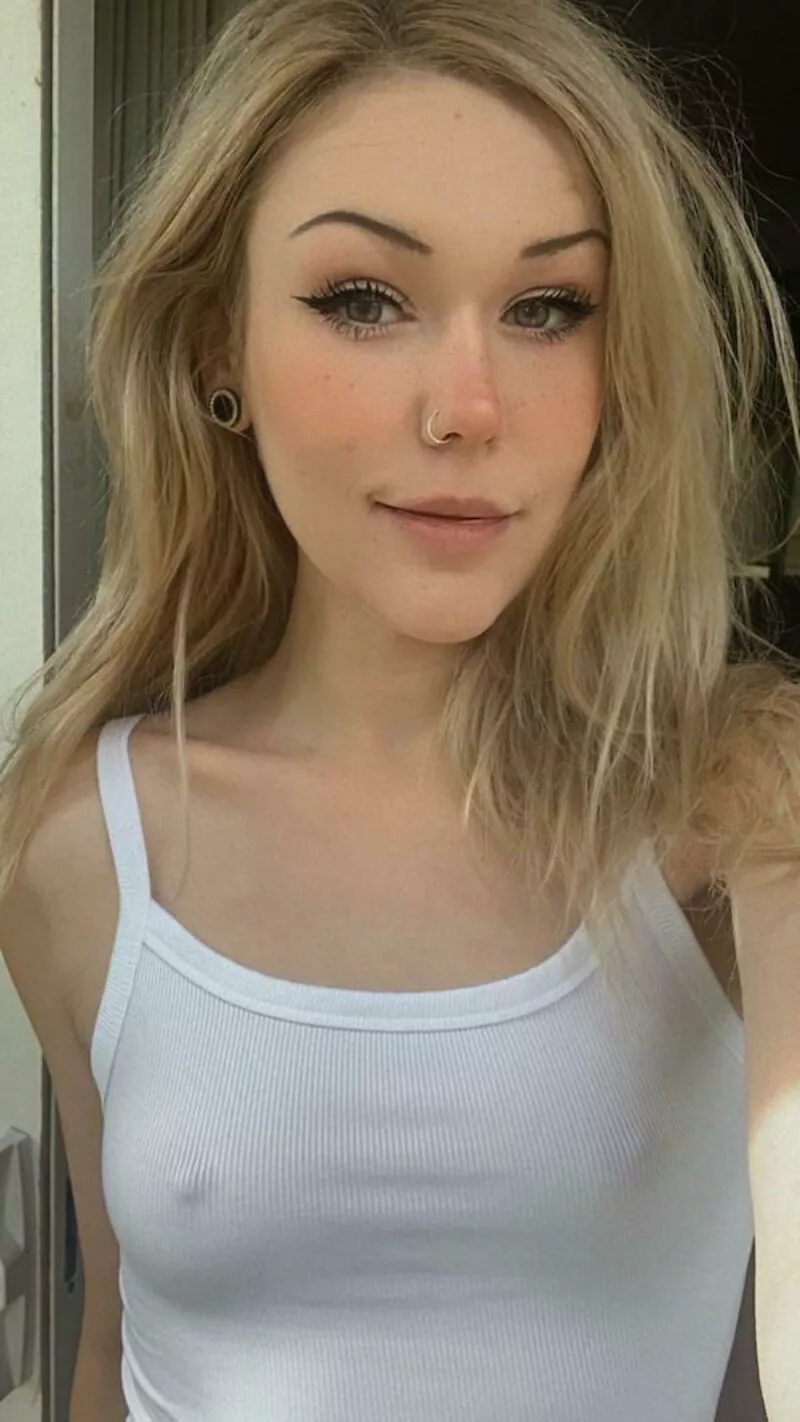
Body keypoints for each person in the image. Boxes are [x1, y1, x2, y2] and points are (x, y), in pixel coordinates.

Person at [2, 0, 800, 1418]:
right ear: (217, 350)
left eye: (550, 308)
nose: (470, 408)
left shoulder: (738, 797)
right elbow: (113, 1346)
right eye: (364, 298)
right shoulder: (80, 840)